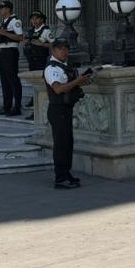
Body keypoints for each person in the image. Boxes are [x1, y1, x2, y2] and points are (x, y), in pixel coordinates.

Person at [44, 38, 90, 189]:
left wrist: (81, 81)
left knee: (67, 144)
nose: (64, 51)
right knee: (61, 145)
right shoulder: (52, 68)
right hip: (58, 110)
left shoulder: (65, 66)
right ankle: (60, 178)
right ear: (53, 50)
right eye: (60, 49)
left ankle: (66, 173)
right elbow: (58, 89)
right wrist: (77, 81)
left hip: (66, 109)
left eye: (66, 48)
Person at [0, 1, 25, 116]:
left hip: (11, 51)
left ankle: (17, 107)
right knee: (4, 80)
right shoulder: (4, 22)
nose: (0, 10)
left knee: (13, 79)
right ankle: (6, 106)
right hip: (3, 51)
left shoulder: (15, 21)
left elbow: (20, 37)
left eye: (2, 8)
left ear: (8, 9)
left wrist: (4, 33)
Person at [24, 10, 53, 118]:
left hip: (40, 60)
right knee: (35, 84)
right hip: (31, 60)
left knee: (40, 84)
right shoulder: (31, 31)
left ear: (41, 19)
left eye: (36, 18)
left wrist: (41, 44)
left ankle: (38, 110)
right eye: (32, 19)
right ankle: (34, 102)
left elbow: (54, 44)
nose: (34, 21)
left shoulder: (46, 31)